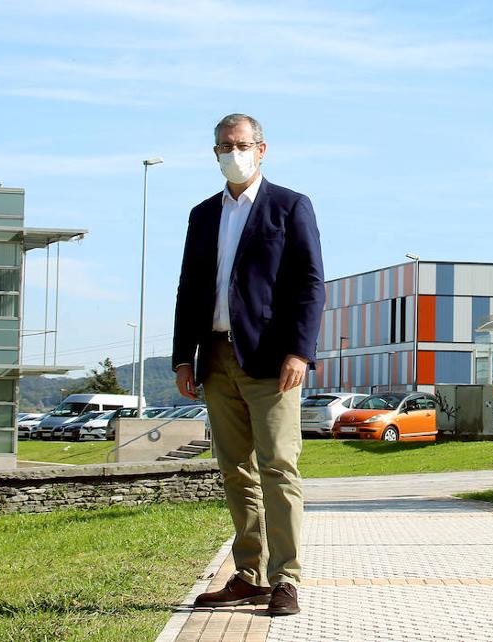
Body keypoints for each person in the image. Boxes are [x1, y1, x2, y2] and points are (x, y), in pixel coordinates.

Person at [172, 113, 324, 617]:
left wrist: (300, 351)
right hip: (215, 356)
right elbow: (189, 288)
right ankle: (250, 575)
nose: (232, 153)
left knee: (278, 466)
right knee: (235, 470)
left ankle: (286, 579)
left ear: (261, 149)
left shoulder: (290, 206)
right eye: (223, 146)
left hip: (271, 361)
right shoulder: (202, 214)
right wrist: (182, 357)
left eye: (240, 144)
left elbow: (309, 284)